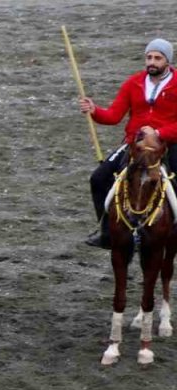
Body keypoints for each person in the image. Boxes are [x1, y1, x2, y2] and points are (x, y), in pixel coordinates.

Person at [79, 38, 177, 248]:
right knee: (98, 178)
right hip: (135, 145)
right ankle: (106, 232)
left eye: (157, 58)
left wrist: (159, 132)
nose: (152, 62)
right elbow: (114, 115)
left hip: (169, 144)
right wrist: (95, 111)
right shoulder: (133, 82)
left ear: (167, 61)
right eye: (149, 57)